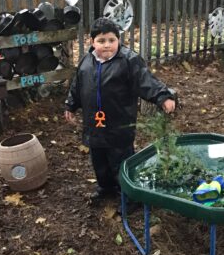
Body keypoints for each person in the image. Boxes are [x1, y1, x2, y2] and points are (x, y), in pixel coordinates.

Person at [64, 17, 176, 206]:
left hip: (119, 124)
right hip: (94, 124)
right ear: (92, 42)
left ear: (118, 40)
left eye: (111, 40)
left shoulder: (128, 60)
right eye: (101, 41)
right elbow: (77, 85)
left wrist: (162, 96)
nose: (107, 45)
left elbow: (145, 80)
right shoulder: (86, 62)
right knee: (99, 160)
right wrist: (71, 104)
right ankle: (106, 187)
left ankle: (130, 195)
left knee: (121, 161)